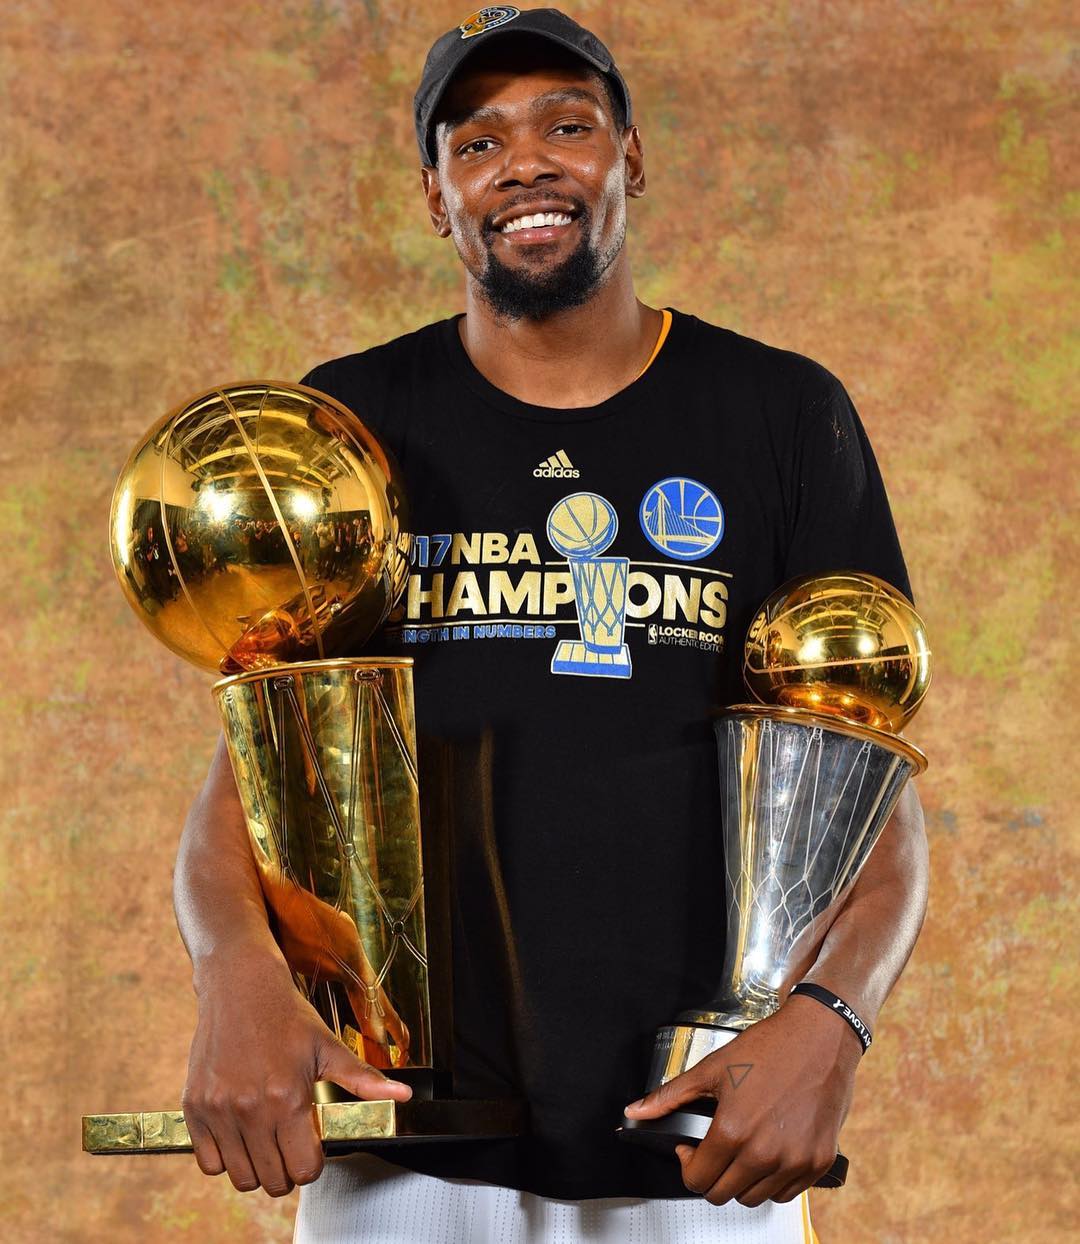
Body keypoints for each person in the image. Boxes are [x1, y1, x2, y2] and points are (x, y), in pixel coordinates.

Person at [174, 8, 929, 1242]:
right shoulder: (350, 420)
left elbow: (872, 786)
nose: (523, 164)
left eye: (566, 127)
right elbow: (254, 768)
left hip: (699, 1147)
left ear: (631, 155)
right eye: (478, 143)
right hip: (404, 1155)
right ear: (436, 195)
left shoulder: (782, 414)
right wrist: (234, 972)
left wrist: (834, 1020)